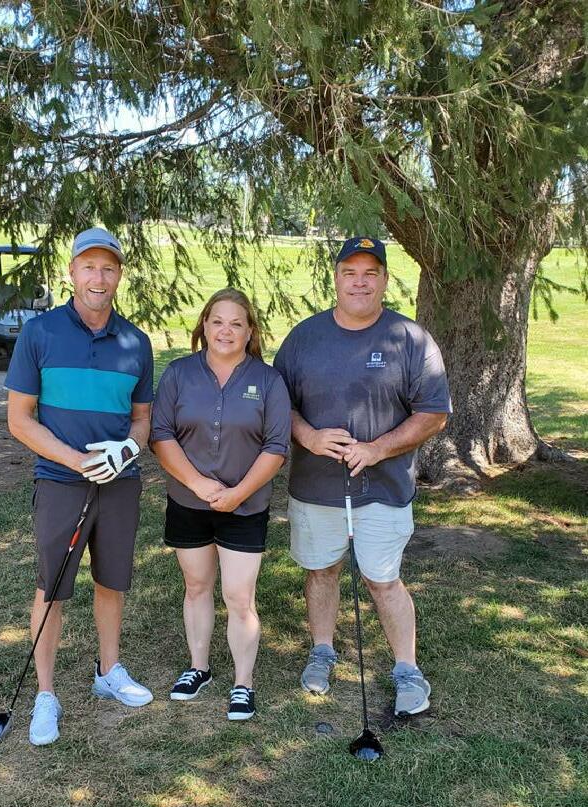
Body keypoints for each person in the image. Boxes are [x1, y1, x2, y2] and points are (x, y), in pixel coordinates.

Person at [273, 237, 451, 716]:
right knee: (321, 571)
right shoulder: (303, 338)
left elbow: (434, 413)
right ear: (335, 278)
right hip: (315, 487)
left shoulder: (411, 340)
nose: (359, 282)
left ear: (385, 280)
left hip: (383, 490)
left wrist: (377, 449)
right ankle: (322, 651)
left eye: (370, 273)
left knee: (382, 580)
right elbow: (276, 403)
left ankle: (407, 670)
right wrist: (309, 436)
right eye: (349, 272)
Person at [5, 227, 155, 746]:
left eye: (108, 268)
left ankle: (108, 671)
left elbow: (142, 420)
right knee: (52, 588)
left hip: (119, 483)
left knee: (112, 581)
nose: (99, 277)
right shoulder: (40, 333)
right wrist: (76, 460)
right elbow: (19, 419)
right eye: (89, 266)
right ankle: (46, 694)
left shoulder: (136, 342)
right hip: (60, 481)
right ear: (71, 271)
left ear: (119, 275)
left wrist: (127, 450)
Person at [151, 288, 291, 721]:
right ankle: (199, 668)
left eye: (236, 323)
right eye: (217, 322)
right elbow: (161, 434)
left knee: (238, 596)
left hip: (245, 506)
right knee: (196, 586)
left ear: (250, 331)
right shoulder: (178, 374)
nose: (225, 331)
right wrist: (197, 484)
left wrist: (238, 492)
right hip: (187, 501)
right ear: (204, 327)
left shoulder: (268, 381)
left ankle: (243, 684)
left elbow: (276, 446)